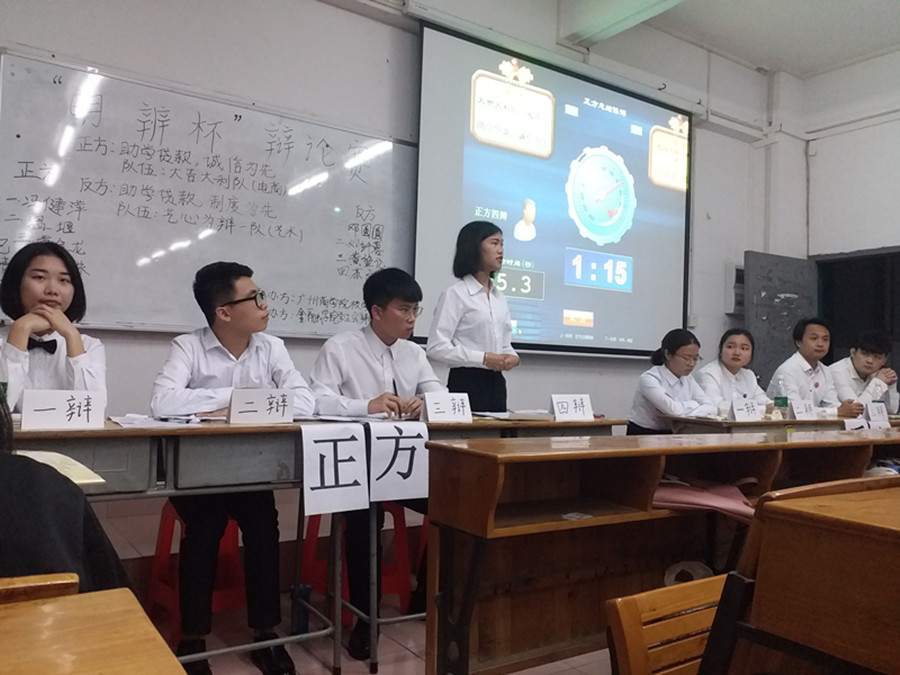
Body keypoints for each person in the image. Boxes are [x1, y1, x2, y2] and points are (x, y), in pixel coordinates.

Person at [151, 262, 315, 675]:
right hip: (198, 474)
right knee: (204, 529)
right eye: (255, 298)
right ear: (223, 312)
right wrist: (241, 397)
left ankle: (265, 635)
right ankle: (193, 640)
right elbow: (163, 402)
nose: (265, 304)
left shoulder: (271, 347)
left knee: (263, 527)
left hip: (250, 469)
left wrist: (222, 403)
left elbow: (304, 401)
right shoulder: (188, 346)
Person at [310, 267, 444, 660]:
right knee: (364, 519)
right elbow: (316, 400)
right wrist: (364, 406)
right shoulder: (341, 347)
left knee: (453, 505)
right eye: (404, 310)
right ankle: (365, 619)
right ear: (376, 311)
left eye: (416, 310)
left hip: (403, 463)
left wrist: (426, 403)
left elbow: (440, 394)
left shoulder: (414, 353)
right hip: (357, 464)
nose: (412, 319)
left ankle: (424, 595)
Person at [0, 394, 129, 592]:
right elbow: (114, 594)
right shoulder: (53, 487)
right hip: (58, 611)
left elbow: (93, 401)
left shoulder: (52, 488)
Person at [0, 241, 106, 413]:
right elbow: (2, 411)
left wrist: (72, 336)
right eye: (39, 277)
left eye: (64, 280)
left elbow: (92, 412)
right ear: (16, 283)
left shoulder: (90, 346)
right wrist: (20, 330)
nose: (52, 290)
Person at [426, 221, 519, 412]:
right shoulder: (456, 293)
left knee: (499, 431)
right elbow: (436, 347)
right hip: (466, 382)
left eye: (502, 244)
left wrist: (513, 357)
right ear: (474, 247)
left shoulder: (499, 296)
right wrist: (483, 358)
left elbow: (504, 344)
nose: (500, 250)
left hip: (497, 383)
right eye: (494, 243)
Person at [766, 317, 863, 418]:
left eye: (825, 339)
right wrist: (837, 411)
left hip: (812, 425)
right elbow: (792, 410)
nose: (820, 344)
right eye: (814, 338)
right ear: (799, 342)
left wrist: (844, 409)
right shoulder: (787, 371)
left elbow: (832, 404)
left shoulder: (825, 371)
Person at [627, 328, 716, 434]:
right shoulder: (649, 379)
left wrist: (683, 408)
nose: (691, 364)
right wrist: (694, 404)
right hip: (644, 434)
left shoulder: (688, 379)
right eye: (686, 358)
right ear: (668, 354)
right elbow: (673, 411)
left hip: (675, 432)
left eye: (695, 359)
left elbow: (711, 408)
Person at [695, 328, 772, 416]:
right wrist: (763, 409)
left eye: (744, 348)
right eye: (730, 347)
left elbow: (764, 400)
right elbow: (716, 407)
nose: (737, 353)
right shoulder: (708, 374)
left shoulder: (749, 375)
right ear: (721, 350)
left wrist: (776, 406)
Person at [829, 330, 899, 413]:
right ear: (853, 352)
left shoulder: (878, 374)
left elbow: (892, 411)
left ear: (884, 361)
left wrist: (891, 386)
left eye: (877, 357)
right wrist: (878, 382)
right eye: (865, 354)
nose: (870, 361)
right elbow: (857, 411)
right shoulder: (837, 372)